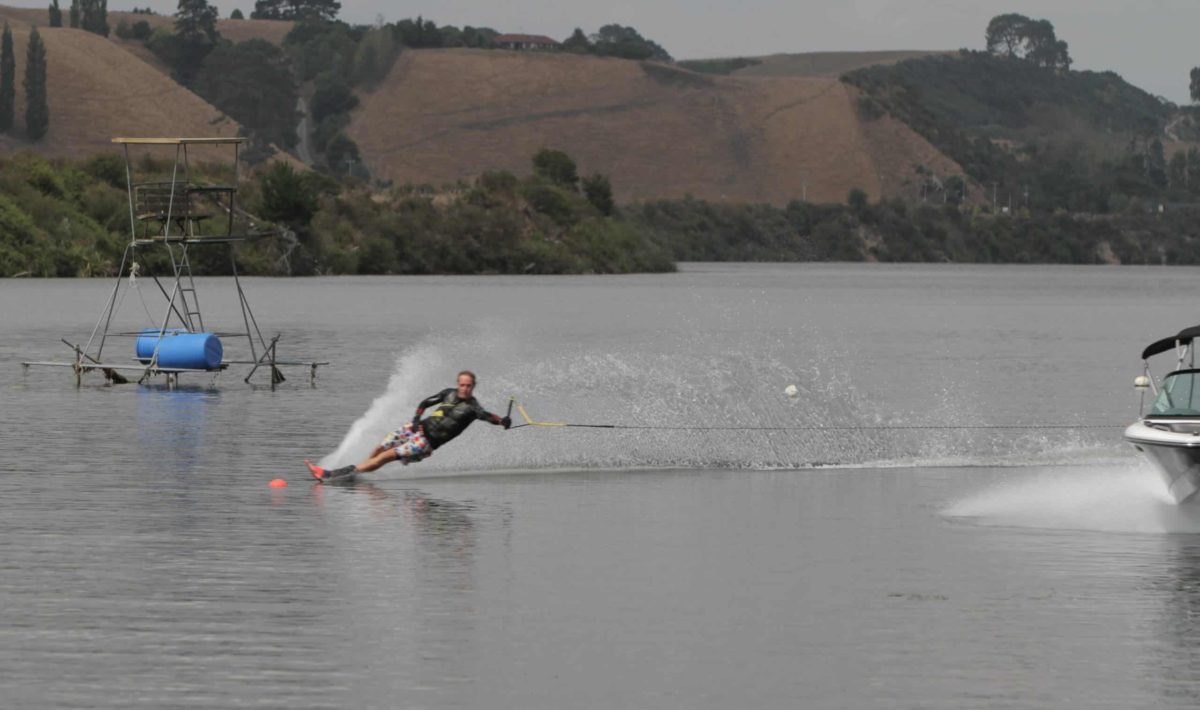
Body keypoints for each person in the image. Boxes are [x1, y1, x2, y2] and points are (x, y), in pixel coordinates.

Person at [306, 370, 511, 480]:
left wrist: (502, 421)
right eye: (462, 384)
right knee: (379, 448)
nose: (464, 388)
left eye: (468, 386)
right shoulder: (447, 393)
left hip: (425, 443)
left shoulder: (473, 407)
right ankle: (357, 474)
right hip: (415, 428)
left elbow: (488, 416)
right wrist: (415, 420)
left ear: (473, 387)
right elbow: (424, 403)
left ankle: (335, 474)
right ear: (458, 383)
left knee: (385, 457)